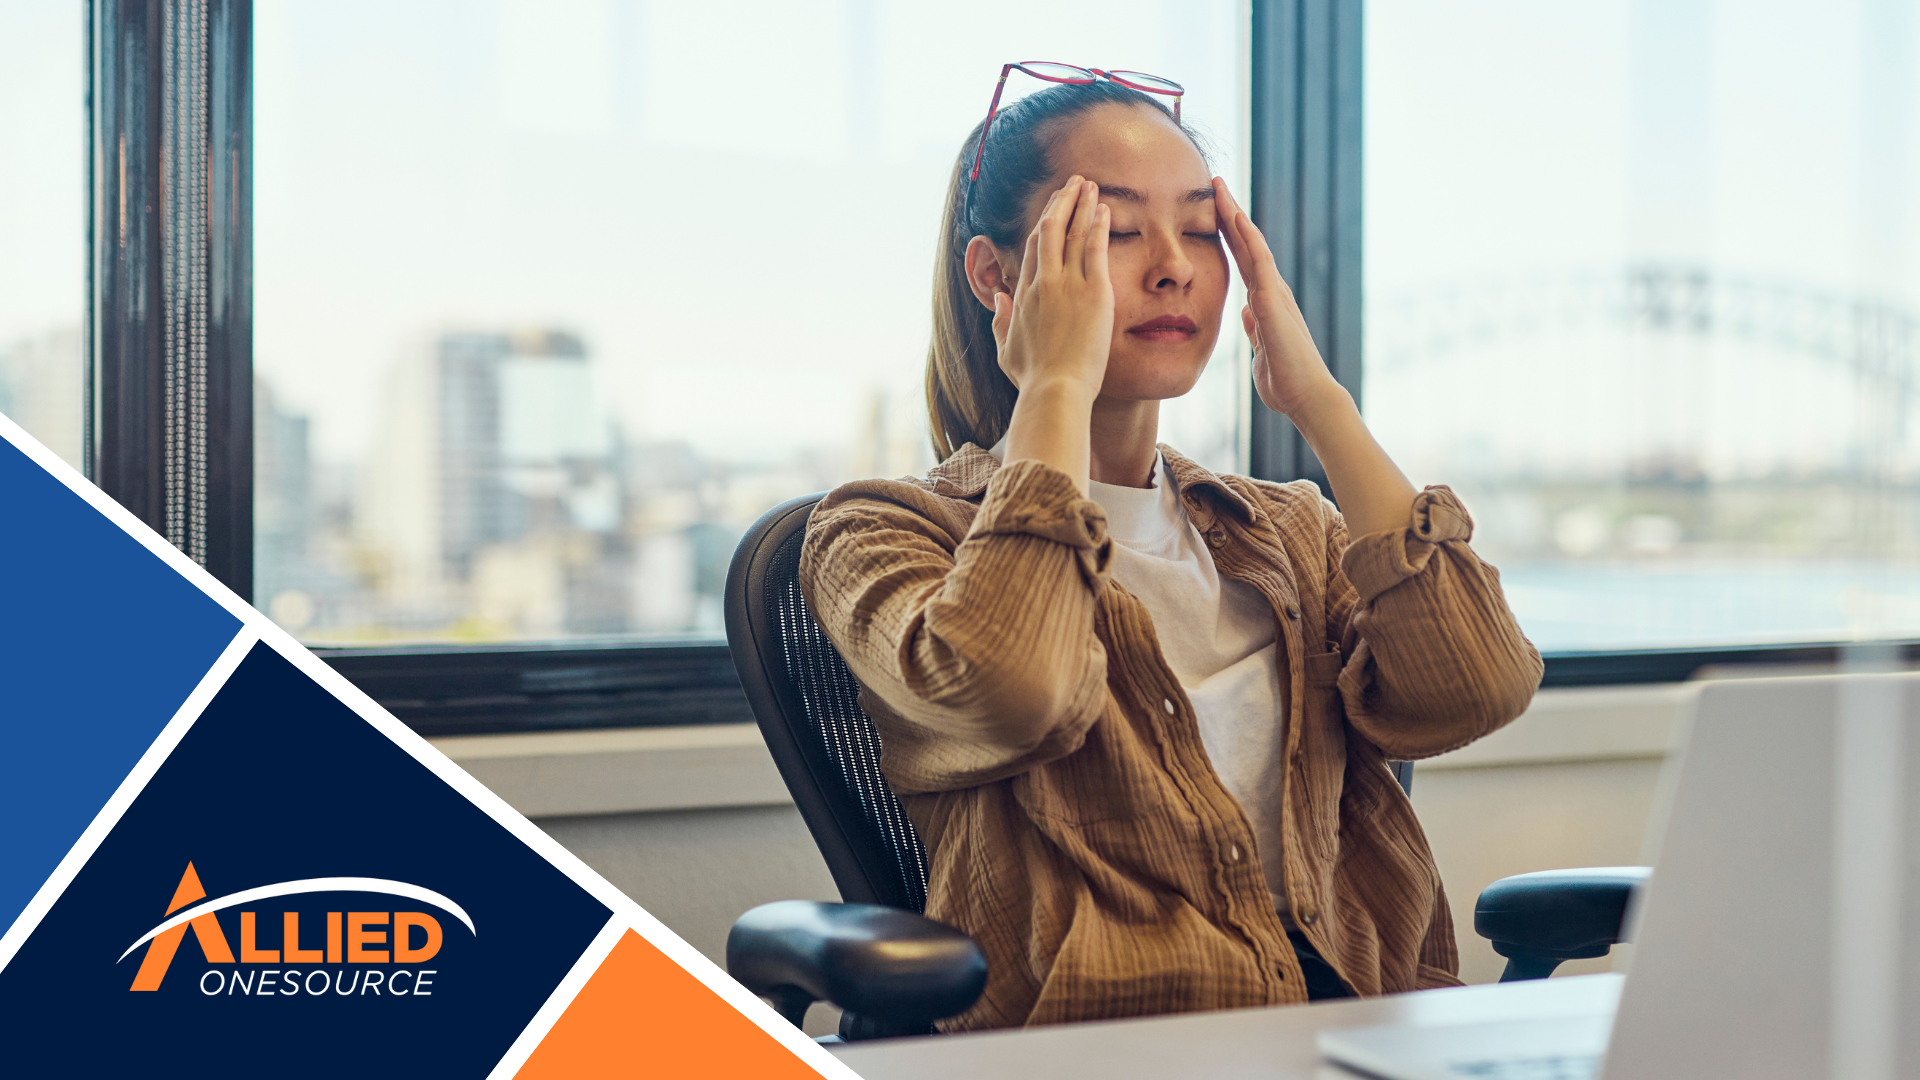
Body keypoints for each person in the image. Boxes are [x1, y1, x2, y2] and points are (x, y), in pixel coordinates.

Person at [800, 72, 1542, 1032]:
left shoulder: (1288, 529)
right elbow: (1016, 688)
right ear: (996, 276)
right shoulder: (880, 529)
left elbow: (1479, 688)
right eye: (1112, 231)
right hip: (1109, 1042)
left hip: (1365, 1022)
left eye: (1200, 231)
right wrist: (1056, 385)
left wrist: (1321, 403)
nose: (1170, 268)